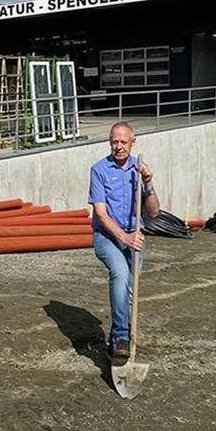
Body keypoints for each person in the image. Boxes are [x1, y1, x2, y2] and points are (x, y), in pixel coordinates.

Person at [88, 121, 160, 367]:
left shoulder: (138, 171)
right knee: (119, 274)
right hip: (107, 237)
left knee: (129, 289)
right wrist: (124, 237)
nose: (118, 147)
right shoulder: (98, 170)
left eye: (123, 142)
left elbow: (153, 212)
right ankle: (121, 336)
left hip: (134, 236)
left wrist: (148, 183)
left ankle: (116, 344)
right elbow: (101, 213)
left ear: (133, 142)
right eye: (114, 142)